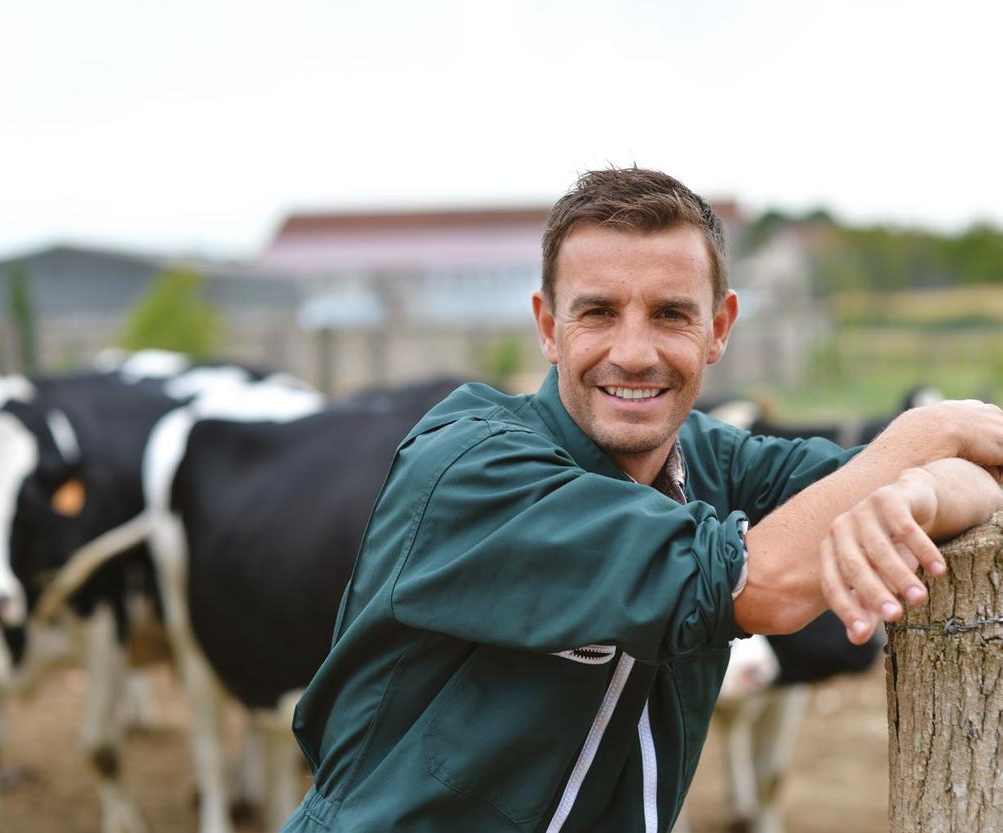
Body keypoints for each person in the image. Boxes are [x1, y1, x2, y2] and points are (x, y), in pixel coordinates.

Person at [281, 168, 1003, 833]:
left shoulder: (712, 457)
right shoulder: (474, 470)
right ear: (546, 324)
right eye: (597, 312)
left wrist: (919, 488)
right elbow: (772, 585)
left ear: (718, 327)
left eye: (669, 314)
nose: (633, 351)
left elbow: (959, 476)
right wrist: (926, 433)